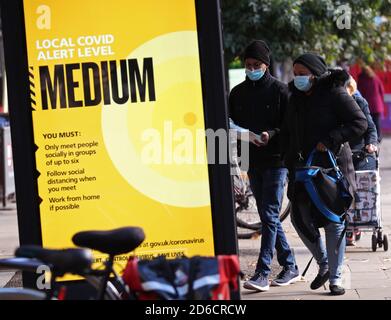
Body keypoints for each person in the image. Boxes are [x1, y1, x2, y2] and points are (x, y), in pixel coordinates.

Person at [281, 53, 367, 295]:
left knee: (333, 220)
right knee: (299, 219)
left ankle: (336, 277)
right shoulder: (294, 99)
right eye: (295, 74)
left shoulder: (335, 93)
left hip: (332, 169)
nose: (298, 78)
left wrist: (330, 140)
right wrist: (287, 157)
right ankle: (324, 263)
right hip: (301, 171)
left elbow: (359, 123)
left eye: (302, 74)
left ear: (316, 74)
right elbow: (287, 131)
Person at [229, 40, 299, 292]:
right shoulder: (237, 93)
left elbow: (289, 126)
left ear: (266, 65)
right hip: (250, 160)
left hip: (276, 160)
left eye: (256, 65)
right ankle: (290, 264)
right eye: (248, 65)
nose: (251, 69)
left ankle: (262, 272)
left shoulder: (281, 91)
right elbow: (229, 124)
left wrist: (270, 134)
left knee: (268, 214)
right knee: (268, 216)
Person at [345, 76, 379, 245]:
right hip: (341, 152)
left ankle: (355, 225)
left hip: (360, 152)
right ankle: (347, 226)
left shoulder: (360, 102)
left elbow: (371, 128)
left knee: (362, 181)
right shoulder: (332, 105)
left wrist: (371, 144)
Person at [357, 65, 385, 142]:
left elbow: (360, 92)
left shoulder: (361, 79)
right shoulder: (375, 78)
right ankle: (378, 138)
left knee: (369, 122)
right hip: (377, 104)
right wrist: (381, 102)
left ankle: (371, 139)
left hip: (367, 104)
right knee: (377, 122)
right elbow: (381, 91)